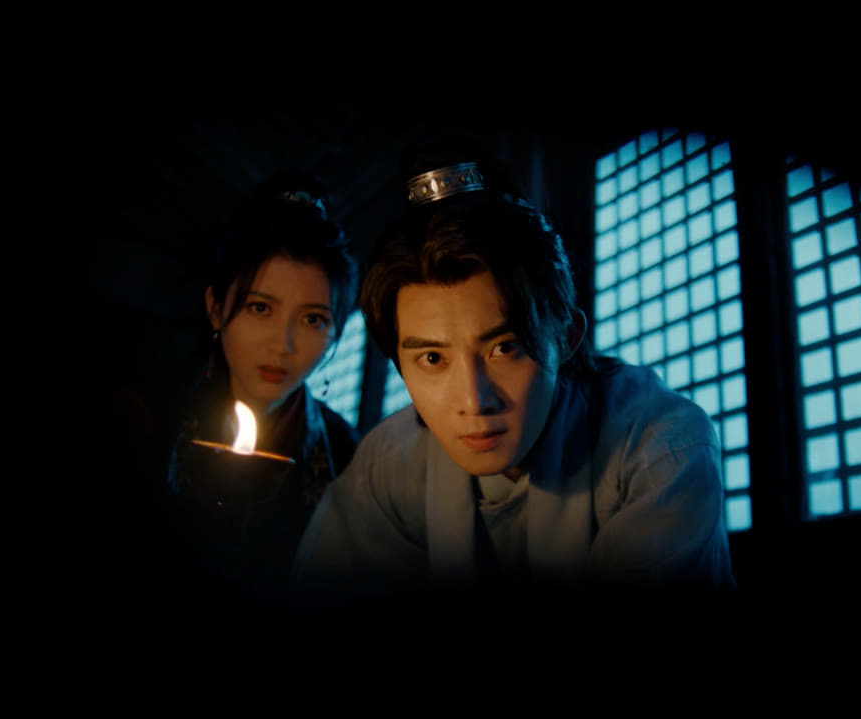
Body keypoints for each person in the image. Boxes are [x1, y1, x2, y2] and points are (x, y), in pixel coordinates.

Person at [290, 138, 736, 612]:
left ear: (566, 337)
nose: (474, 401)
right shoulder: (388, 462)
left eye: (505, 347)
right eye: (432, 359)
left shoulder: (657, 446)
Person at [165, 168, 360, 612]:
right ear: (216, 308)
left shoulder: (346, 455)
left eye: (312, 319)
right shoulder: (149, 418)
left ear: (336, 330)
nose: (283, 345)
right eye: (259, 308)